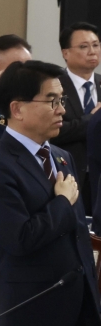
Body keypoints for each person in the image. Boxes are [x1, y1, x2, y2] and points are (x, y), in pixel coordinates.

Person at [0, 60, 101, 326]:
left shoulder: (60, 156)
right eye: (52, 101)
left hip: (71, 310)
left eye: (62, 100)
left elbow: (78, 234)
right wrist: (60, 201)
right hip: (25, 313)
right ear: (17, 109)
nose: (61, 110)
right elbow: (19, 239)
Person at [54, 22, 101, 216]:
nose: (92, 51)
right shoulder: (54, 85)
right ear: (65, 53)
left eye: (96, 45)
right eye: (84, 46)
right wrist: (92, 120)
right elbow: (55, 131)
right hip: (68, 176)